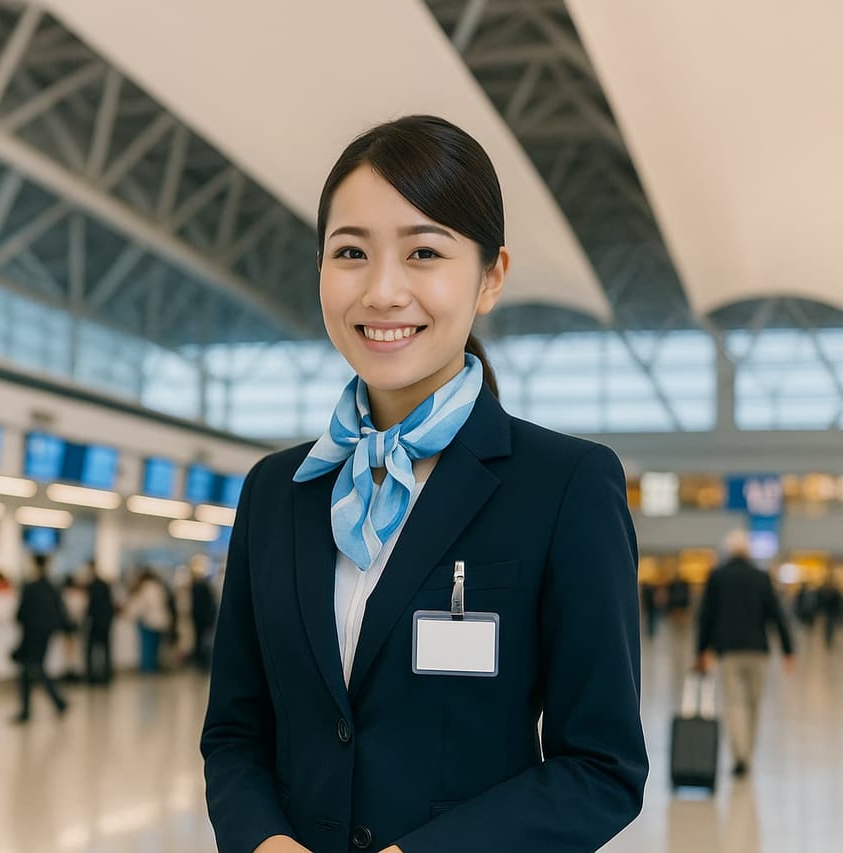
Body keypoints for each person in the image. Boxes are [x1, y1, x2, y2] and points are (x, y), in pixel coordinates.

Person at [200, 116, 647, 853]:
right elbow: (234, 732)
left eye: (423, 252)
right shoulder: (277, 491)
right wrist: (263, 841)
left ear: (491, 276)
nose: (382, 291)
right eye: (350, 252)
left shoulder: (564, 486)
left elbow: (601, 767)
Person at [696, 529, 796, 778]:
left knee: (734, 704)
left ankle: (739, 755)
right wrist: (788, 650)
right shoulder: (761, 577)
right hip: (758, 652)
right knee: (753, 704)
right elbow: (776, 615)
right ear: (748, 550)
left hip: (729, 651)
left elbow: (706, 617)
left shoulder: (718, 577)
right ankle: (747, 754)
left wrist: (701, 651)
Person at [13, 555, 68, 722]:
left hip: (31, 634)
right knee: (30, 669)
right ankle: (27, 709)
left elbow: (21, 614)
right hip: (45, 634)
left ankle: (56, 701)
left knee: (33, 668)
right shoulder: (52, 587)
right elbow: (60, 611)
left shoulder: (30, 587)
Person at [126, 569, 172, 674]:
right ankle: (153, 667)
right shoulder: (158, 587)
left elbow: (142, 606)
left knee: (147, 647)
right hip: (160, 620)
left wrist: (132, 614)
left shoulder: (145, 588)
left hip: (148, 621)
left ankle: (148, 668)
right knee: (155, 647)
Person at [83, 561, 115, 684]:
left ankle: (91, 676)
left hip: (96, 621)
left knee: (91, 649)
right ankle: (105, 675)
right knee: (105, 649)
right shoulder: (104, 584)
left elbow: (91, 605)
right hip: (105, 621)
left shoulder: (91, 586)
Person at [189, 556, 219, 671]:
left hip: (200, 618)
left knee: (201, 640)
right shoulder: (201, 586)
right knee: (201, 640)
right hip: (202, 618)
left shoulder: (199, 586)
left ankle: (201, 661)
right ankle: (201, 661)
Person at [59, 574, 87, 682]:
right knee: (74, 649)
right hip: (75, 624)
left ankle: (70, 670)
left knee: (70, 649)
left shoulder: (66, 595)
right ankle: (72, 670)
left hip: (69, 624)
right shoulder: (79, 595)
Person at [819, 573, 842, 649]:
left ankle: (829, 638)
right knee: (829, 625)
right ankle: (828, 638)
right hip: (831, 612)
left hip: (831, 612)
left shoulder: (828, 592)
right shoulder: (832, 592)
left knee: (829, 625)